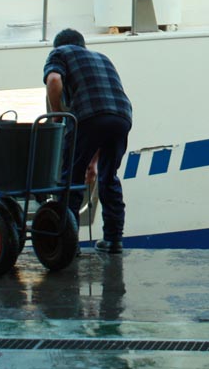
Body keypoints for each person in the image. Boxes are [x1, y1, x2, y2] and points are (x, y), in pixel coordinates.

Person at [43, 28, 132, 253]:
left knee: (70, 180)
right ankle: (113, 240)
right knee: (108, 177)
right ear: (83, 44)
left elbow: (54, 80)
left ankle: (67, 243)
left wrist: (56, 114)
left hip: (88, 117)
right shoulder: (103, 58)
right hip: (121, 117)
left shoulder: (60, 53)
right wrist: (92, 163)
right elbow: (104, 114)